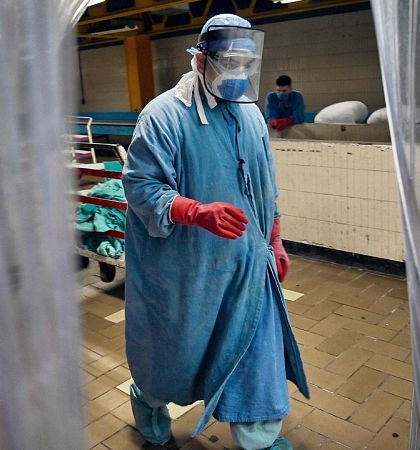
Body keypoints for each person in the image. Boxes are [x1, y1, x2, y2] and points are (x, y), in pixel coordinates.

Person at [122, 13, 309, 450]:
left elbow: (266, 184)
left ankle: (258, 438)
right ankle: (150, 400)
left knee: (257, 352)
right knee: (176, 355)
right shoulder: (164, 115)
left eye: (246, 64)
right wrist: (194, 211)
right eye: (229, 62)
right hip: (188, 271)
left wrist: (275, 239)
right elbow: (141, 186)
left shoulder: (251, 115)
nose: (238, 73)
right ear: (201, 59)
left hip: (247, 265)